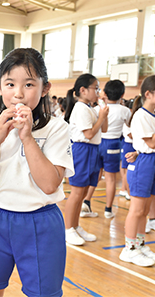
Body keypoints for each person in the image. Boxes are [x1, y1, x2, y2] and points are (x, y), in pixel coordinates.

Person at [0, 48, 74, 297]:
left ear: (45, 88)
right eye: (10, 84)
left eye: (29, 84)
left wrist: (27, 138)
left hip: (41, 221)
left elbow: (49, 185)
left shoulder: (57, 128)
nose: (19, 94)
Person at [64, 73, 108, 245]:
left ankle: (76, 226)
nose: (98, 91)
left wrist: (103, 113)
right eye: (95, 88)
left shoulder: (90, 107)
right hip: (82, 150)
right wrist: (101, 117)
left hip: (92, 150)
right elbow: (89, 134)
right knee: (76, 192)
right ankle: (68, 229)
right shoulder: (80, 108)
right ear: (83, 90)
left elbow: (102, 129)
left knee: (82, 192)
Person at [80, 80, 131, 218]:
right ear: (122, 94)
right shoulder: (125, 110)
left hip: (97, 143)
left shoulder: (97, 109)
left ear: (105, 93)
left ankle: (86, 202)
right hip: (113, 144)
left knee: (95, 176)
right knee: (110, 179)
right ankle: (108, 210)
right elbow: (129, 125)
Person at [121, 77, 155, 267]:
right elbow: (151, 143)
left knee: (145, 209)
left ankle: (140, 244)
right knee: (137, 208)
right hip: (144, 163)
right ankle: (129, 248)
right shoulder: (141, 115)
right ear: (148, 94)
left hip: (150, 160)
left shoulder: (152, 115)